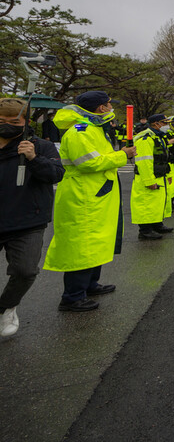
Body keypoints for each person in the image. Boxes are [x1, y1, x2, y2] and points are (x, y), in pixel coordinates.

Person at [44, 92, 136, 312]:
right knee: (82, 246)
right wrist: (122, 155)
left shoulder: (94, 129)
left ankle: (90, 285)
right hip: (82, 196)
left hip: (95, 195)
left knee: (95, 242)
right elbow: (89, 163)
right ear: (100, 108)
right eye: (107, 105)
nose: (110, 108)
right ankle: (72, 296)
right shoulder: (80, 132)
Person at [0, 98, 65, 336]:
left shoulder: (39, 146)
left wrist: (33, 159)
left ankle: (6, 306)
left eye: (13, 121)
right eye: (1, 121)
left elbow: (56, 174)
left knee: (25, 270)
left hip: (28, 220)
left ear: (25, 121)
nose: (7, 125)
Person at [130, 114, 174, 240]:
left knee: (157, 203)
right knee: (146, 204)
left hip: (159, 175)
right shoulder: (146, 139)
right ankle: (145, 230)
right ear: (156, 124)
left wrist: (168, 174)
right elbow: (144, 162)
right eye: (164, 123)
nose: (167, 126)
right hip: (148, 177)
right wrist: (149, 180)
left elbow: (164, 157)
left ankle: (156, 224)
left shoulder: (158, 137)